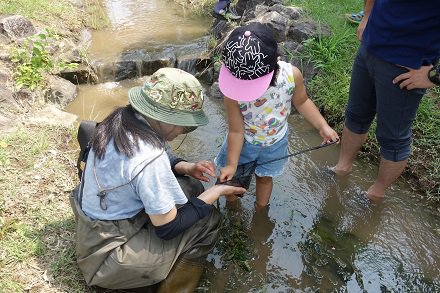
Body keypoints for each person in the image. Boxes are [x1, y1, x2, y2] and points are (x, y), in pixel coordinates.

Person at [69, 67, 246, 291]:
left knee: (189, 185)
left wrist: (186, 166)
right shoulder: (149, 158)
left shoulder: (122, 119)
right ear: (163, 119)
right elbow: (168, 229)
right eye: (184, 125)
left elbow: (154, 158)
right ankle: (171, 287)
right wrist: (215, 192)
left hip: (93, 228)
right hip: (107, 258)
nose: (184, 131)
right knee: (208, 219)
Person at [215, 22, 339, 209]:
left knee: (265, 179)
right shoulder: (233, 93)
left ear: (277, 60)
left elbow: (303, 102)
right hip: (243, 144)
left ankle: (261, 210)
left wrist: (323, 126)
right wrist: (232, 164)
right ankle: (233, 209)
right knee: (232, 180)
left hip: (275, 143)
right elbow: (236, 131)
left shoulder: (292, 75)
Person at [331, 0, 440, 201]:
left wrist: (434, 76)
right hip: (370, 47)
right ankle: (342, 168)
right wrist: (367, 16)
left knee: (393, 139)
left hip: (406, 66)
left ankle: (375, 194)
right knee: (355, 115)